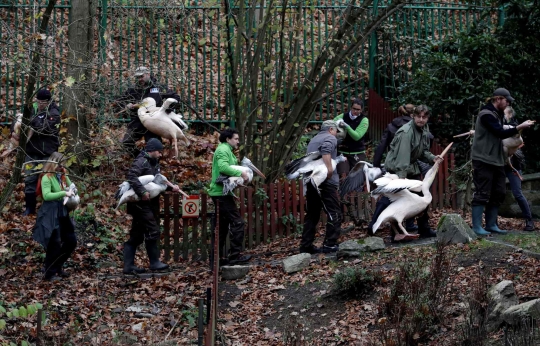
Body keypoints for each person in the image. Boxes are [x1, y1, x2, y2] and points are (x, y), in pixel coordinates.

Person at [368, 105, 443, 240]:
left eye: (424, 117)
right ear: (413, 116)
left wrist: (433, 158)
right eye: (418, 116)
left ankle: (423, 228)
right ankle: (378, 226)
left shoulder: (423, 129)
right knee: (392, 197)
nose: (421, 119)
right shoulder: (406, 133)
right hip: (397, 169)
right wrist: (401, 182)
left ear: (427, 118)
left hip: (410, 166)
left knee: (421, 196)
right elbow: (402, 158)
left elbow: (423, 151)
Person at [470, 89, 535, 236]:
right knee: (482, 192)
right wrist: (519, 127)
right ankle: (477, 227)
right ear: (498, 99)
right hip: (483, 159)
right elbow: (499, 132)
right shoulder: (486, 114)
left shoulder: (497, 114)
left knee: (499, 192)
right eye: (507, 101)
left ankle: (491, 224)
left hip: (497, 159)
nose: (508, 104)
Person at [122, 138, 181, 274]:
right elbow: (131, 176)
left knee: (136, 236)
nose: (161, 154)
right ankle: (154, 262)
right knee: (153, 231)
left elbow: (156, 184)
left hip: (147, 205)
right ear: (152, 150)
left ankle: (128, 266)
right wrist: (142, 192)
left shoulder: (153, 163)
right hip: (140, 205)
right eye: (159, 152)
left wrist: (171, 188)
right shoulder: (141, 161)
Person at [10, 89, 60, 215]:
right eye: (38, 101)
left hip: (47, 153)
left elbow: (46, 128)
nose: (40, 104)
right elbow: (17, 121)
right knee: (29, 178)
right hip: (31, 152)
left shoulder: (54, 113)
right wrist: (14, 130)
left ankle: (48, 209)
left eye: (43, 102)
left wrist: (30, 122)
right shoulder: (31, 109)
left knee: (47, 179)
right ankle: (29, 209)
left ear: (48, 101)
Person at [115, 66, 181, 157]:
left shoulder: (159, 88)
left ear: (148, 74)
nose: (140, 79)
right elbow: (120, 102)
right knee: (127, 142)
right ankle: (140, 158)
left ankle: (154, 163)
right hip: (137, 121)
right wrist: (126, 105)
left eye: (142, 76)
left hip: (154, 122)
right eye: (138, 77)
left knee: (154, 146)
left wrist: (167, 108)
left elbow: (175, 97)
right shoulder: (133, 90)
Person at [208, 128, 251, 265]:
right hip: (221, 194)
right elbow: (223, 168)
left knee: (221, 226)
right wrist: (241, 174)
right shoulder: (223, 150)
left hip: (223, 193)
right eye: (236, 139)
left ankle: (216, 260)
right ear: (228, 139)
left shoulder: (228, 151)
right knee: (238, 222)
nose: (238, 141)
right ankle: (234, 256)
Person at [299, 120, 342, 254]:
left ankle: (306, 245)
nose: (336, 134)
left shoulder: (314, 140)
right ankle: (330, 244)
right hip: (325, 182)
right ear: (330, 129)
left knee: (312, 214)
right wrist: (329, 169)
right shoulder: (330, 138)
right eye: (336, 131)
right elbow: (326, 150)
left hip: (311, 181)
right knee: (334, 212)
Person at [32, 152, 76, 281]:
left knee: (71, 241)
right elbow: (46, 196)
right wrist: (64, 193)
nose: (61, 166)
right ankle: (49, 274)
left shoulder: (59, 176)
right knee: (54, 243)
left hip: (62, 211)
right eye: (59, 164)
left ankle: (57, 266)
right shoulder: (47, 177)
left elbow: (70, 186)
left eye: (63, 163)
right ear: (54, 163)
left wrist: (65, 175)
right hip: (50, 212)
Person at [503, 106, 535, 232]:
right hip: (499, 165)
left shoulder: (514, 127)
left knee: (517, 193)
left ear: (510, 115)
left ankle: (529, 221)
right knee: (496, 193)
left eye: (504, 113)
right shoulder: (497, 125)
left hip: (513, 166)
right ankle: (492, 223)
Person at [333, 99, 369, 176]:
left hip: (357, 152)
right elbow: (331, 124)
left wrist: (347, 127)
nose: (355, 111)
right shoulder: (343, 116)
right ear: (351, 108)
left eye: (358, 109)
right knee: (343, 174)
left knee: (356, 176)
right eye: (354, 108)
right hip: (342, 152)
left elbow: (357, 136)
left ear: (361, 110)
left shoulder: (364, 120)